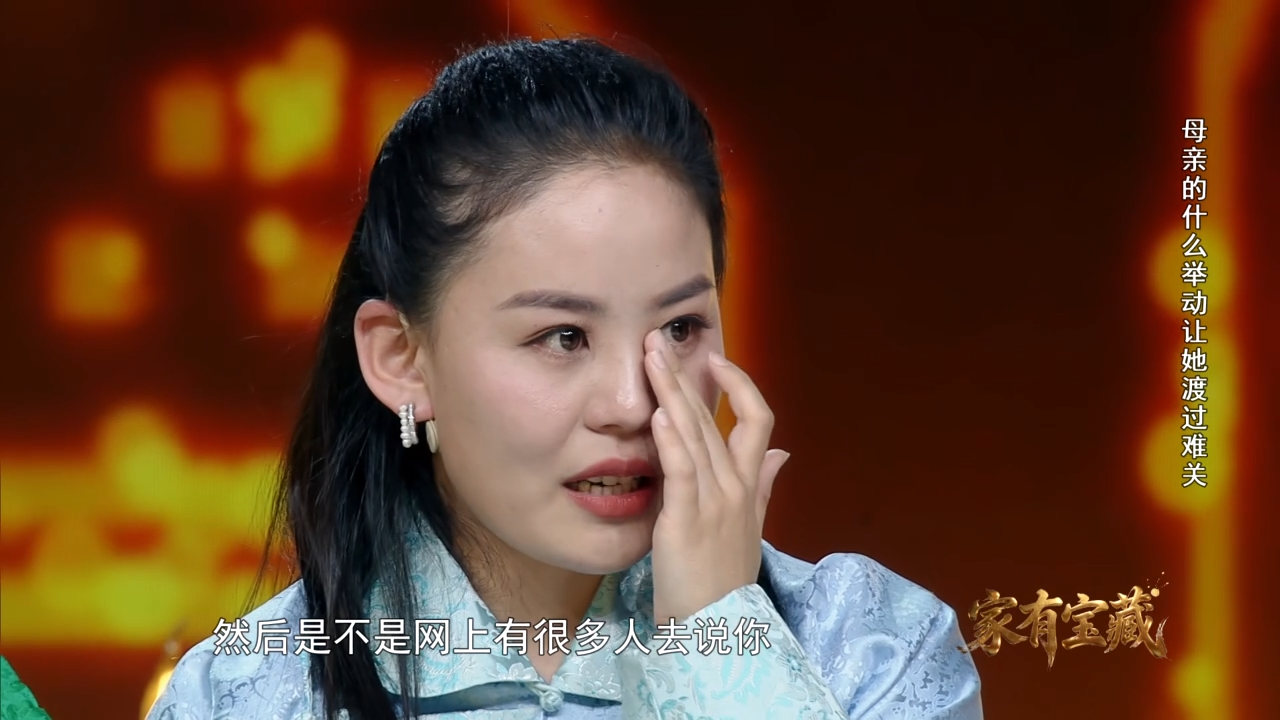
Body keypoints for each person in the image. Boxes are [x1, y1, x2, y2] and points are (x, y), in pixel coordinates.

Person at [147, 37, 983, 719]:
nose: (631, 403)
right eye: (563, 337)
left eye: (680, 327)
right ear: (402, 359)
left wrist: (718, 643)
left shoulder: (872, 648)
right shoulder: (245, 696)